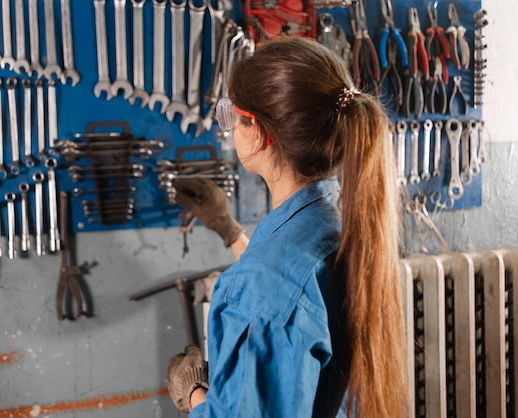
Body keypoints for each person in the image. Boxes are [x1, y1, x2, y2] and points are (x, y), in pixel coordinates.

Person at [166, 36, 408, 417]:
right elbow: (292, 289)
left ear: (260, 132)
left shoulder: (262, 287)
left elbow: (275, 294)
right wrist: (229, 230)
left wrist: (195, 392)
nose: (230, 128)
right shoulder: (342, 220)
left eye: (234, 117)